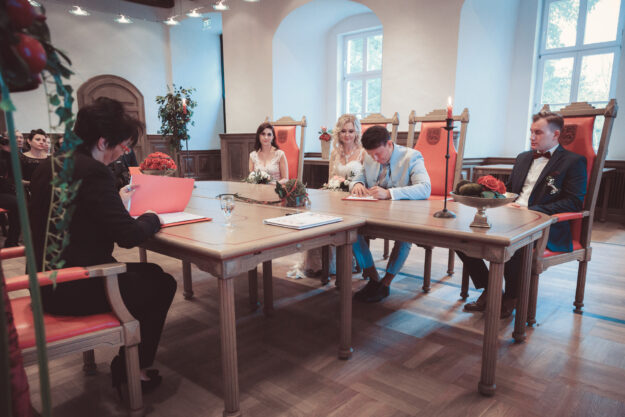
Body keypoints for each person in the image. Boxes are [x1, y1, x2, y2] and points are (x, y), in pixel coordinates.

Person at [29, 97, 177, 396]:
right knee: (162, 283)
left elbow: (78, 216)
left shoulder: (50, 166)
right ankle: (132, 372)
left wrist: (113, 203)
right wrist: (152, 217)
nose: (124, 152)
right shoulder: (94, 172)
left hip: (46, 282)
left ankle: (130, 365)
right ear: (102, 141)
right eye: (123, 145)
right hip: (76, 286)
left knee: (151, 272)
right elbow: (128, 236)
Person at [458, 111, 587, 318]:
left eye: (538, 132)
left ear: (555, 134)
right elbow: (511, 190)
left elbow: (574, 202)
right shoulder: (523, 157)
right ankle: (490, 287)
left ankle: (512, 296)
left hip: (544, 224)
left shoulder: (573, 161)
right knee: (462, 236)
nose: (532, 137)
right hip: (510, 216)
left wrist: (532, 210)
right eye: (531, 132)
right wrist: (495, 198)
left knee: (514, 242)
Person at [350, 125, 431, 302]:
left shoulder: (412, 156)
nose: (375, 159)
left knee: (404, 236)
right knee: (350, 231)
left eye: (378, 154)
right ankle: (373, 278)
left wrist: (389, 193)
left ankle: (386, 283)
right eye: (371, 155)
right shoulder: (370, 157)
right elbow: (359, 177)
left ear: (389, 144)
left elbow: (425, 188)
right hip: (374, 211)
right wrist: (357, 184)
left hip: (404, 213)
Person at [304, 114, 365, 278]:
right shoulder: (335, 153)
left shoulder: (363, 153)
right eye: (343, 131)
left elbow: (366, 181)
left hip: (355, 200)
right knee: (317, 216)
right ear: (338, 133)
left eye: (351, 131)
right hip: (335, 196)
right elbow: (331, 177)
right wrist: (330, 187)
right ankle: (318, 264)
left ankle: (343, 262)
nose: (347, 135)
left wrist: (350, 185)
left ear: (356, 132)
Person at [0, 133, 20, 247]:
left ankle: (12, 241)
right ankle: (12, 241)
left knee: (19, 204)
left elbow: (12, 174)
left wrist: (8, 150)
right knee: (17, 203)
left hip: (6, 191)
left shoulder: (8, 155)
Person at [19, 129, 50, 195]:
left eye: (44, 140)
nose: (41, 142)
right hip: (26, 192)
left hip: (47, 192)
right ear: (29, 141)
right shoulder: (21, 158)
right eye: (38, 139)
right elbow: (16, 179)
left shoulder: (49, 159)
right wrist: (33, 183)